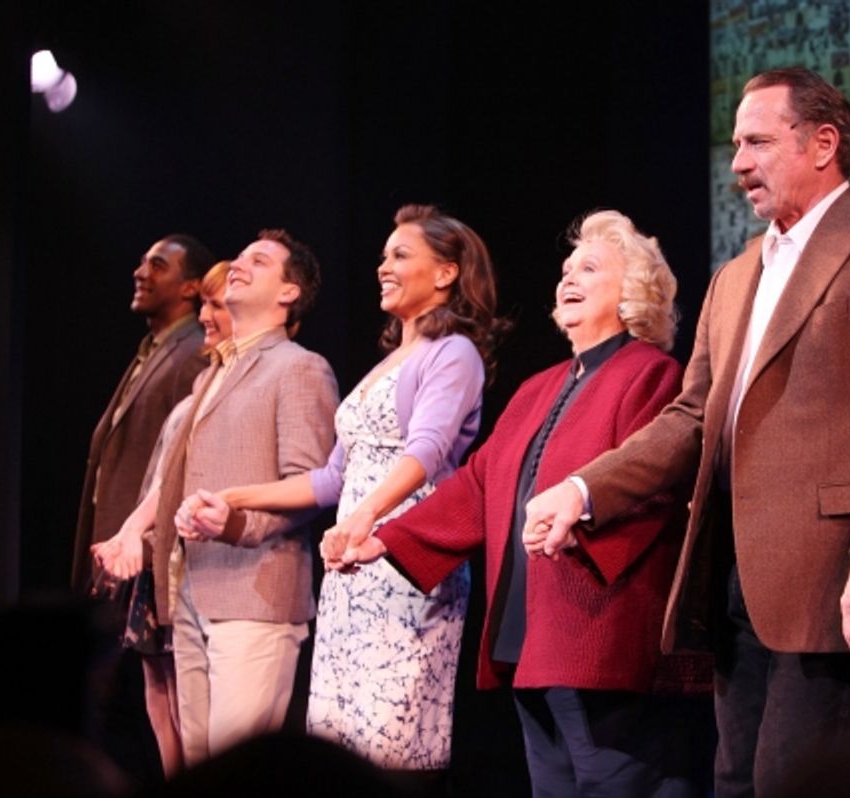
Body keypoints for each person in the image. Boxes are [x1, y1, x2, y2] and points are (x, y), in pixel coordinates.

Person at [523, 67, 850, 797]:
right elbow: (693, 419)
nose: (738, 163)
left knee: (795, 784)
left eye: (757, 142)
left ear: (822, 144)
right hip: (731, 584)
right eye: (734, 144)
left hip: (829, 582)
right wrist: (584, 488)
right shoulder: (735, 277)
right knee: (736, 783)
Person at [334, 210, 706, 796]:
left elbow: (657, 485)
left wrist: (577, 520)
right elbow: (477, 483)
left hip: (601, 633)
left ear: (634, 291)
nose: (568, 279)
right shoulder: (540, 387)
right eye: (565, 269)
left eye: (589, 268)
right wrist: (386, 535)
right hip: (530, 636)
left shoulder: (652, 375)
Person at [214, 205, 504, 773]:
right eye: (382, 256)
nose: (383, 266)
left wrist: (366, 517)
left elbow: (427, 450)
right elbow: (330, 479)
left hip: (405, 561)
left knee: (392, 743)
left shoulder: (454, 354)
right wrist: (234, 498)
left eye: (400, 255)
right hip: (351, 567)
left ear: (446, 273)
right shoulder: (389, 363)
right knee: (343, 742)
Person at [157, 230, 339, 765]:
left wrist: (234, 524)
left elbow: (311, 486)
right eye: (238, 257)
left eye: (257, 262)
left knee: (237, 772)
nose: (237, 265)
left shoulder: (300, 367)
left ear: (289, 293)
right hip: (193, 585)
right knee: (197, 765)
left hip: (256, 593)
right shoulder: (213, 372)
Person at [92, 261, 233, 776]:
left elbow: (186, 478)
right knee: (157, 681)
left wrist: (141, 533)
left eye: (218, 305)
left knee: (179, 685)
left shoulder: (202, 377)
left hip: (181, 550)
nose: (208, 316)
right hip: (153, 548)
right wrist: (128, 532)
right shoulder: (199, 379)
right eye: (208, 306)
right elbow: (159, 474)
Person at [75, 234, 214, 593]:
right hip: (117, 543)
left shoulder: (194, 353)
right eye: (142, 263)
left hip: (141, 553)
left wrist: (145, 539)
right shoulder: (154, 349)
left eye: (158, 266)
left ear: (190, 288)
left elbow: (181, 461)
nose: (141, 273)